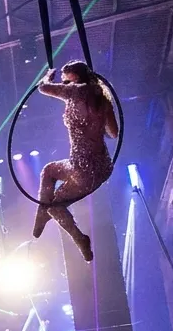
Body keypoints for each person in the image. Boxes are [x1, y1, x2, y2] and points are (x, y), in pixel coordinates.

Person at [32, 60, 119, 262]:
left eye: (66, 79)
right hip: (103, 167)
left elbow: (43, 88)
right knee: (51, 171)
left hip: (83, 170)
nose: (65, 84)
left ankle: (76, 237)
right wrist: (94, 126)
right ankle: (42, 213)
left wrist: (48, 75)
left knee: (53, 199)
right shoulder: (103, 99)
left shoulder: (77, 91)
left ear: (75, 77)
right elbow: (113, 133)